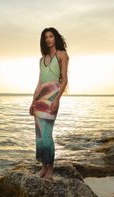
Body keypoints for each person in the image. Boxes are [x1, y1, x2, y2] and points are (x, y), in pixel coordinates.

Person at [29, 27, 69, 180]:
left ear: (55, 38)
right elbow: (39, 82)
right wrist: (33, 102)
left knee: (47, 133)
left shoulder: (62, 55)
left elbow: (64, 80)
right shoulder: (41, 59)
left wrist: (57, 99)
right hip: (40, 99)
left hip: (52, 97)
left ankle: (51, 167)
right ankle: (44, 166)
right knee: (39, 134)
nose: (48, 39)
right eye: (46, 37)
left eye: (51, 36)